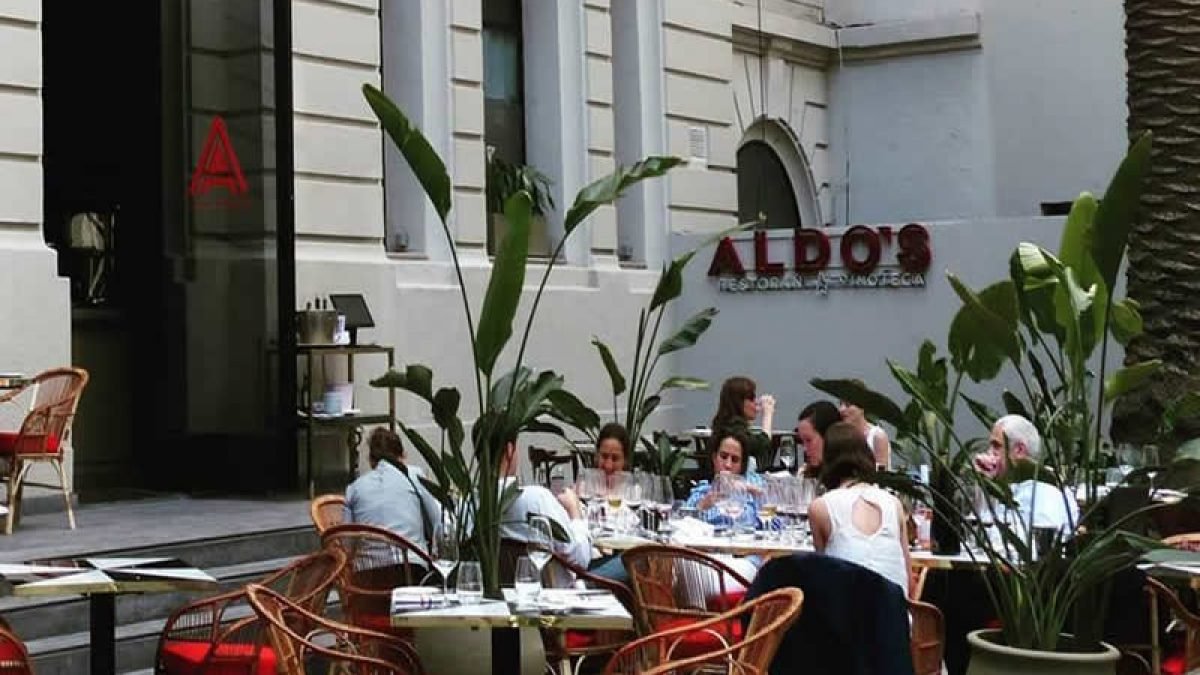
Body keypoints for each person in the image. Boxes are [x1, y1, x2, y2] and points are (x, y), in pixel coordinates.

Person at [809, 422, 912, 595]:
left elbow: (823, 576)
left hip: (846, 617)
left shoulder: (821, 507)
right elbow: (908, 577)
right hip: (896, 617)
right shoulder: (894, 504)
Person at [973, 414, 1079, 534]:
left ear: (1019, 450)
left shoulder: (1044, 492)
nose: (989, 452)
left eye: (996, 446)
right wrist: (984, 485)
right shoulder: (1009, 488)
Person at [497, 436, 592, 568]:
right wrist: (574, 511)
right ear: (510, 450)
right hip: (554, 586)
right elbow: (580, 559)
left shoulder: (466, 506)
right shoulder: (537, 499)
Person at [344, 427, 442, 552]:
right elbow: (438, 521)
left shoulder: (353, 489)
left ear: (371, 460)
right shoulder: (415, 475)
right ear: (402, 456)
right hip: (412, 566)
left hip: (368, 568)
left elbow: (347, 543)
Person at [685, 431, 765, 530]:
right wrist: (701, 507)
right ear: (714, 458)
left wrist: (751, 490)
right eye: (723, 457)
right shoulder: (701, 491)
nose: (728, 465)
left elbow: (776, 521)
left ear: (742, 465)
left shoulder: (754, 484)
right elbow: (682, 524)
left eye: (735, 460)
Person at [710, 376, 775, 472]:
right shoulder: (733, 430)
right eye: (752, 399)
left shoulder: (723, 424)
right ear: (739, 402)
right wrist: (768, 413)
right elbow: (762, 444)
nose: (756, 403)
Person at [839, 390, 891, 469]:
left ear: (862, 408)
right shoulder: (841, 436)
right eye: (840, 404)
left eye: (848, 405)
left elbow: (882, 473)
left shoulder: (877, 436)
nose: (841, 409)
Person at [796, 400, 841, 475]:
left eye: (808, 440)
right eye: (802, 442)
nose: (804, 449)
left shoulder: (854, 481)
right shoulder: (804, 473)